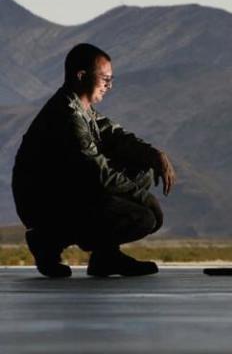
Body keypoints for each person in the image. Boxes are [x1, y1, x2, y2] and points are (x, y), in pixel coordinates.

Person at [12, 43, 177, 278]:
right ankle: (47, 239)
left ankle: (105, 257)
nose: (110, 86)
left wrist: (154, 155)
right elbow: (98, 175)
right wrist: (146, 198)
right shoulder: (68, 116)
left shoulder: (82, 109)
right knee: (144, 217)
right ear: (81, 76)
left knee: (143, 167)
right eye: (105, 79)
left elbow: (115, 136)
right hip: (45, 206)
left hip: (64, 194)